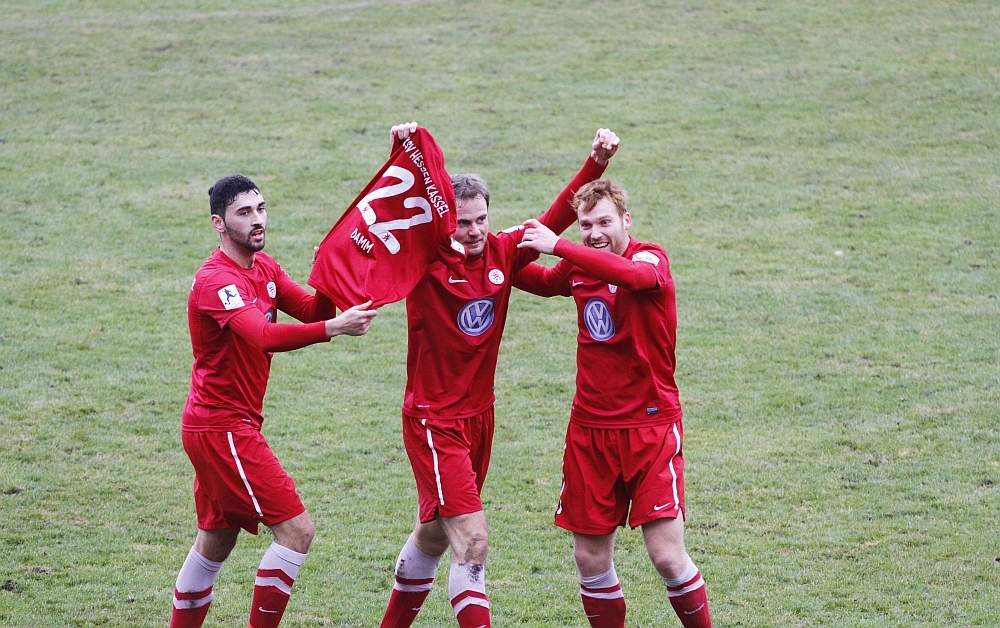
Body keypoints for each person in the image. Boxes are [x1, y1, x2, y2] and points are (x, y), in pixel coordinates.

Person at [377, 124, 619, 628]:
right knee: (473, 538)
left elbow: (550, 222)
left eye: (481, 220)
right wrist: (402, 148)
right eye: (462, 223)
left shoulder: (501, 252)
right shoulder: (424, 260)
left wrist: (596, 162)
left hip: (479, 418)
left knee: (436, 533)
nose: (472, 231)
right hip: (433, 421)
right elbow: (391, 211)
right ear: (445, 223)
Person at [169, 174, 378, 628]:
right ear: (218, 224)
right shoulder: (215, 281)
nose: (257, 220)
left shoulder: (264, 269)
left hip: (222, 425)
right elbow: (263, 336)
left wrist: (339, 275)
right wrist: (335, 329)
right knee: (297, 531)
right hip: (222, 428)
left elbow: (310, 309)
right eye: (244, 213)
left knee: (217, 539)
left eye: (261, 209)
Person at [512, 179, 712, 628]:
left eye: (604, 221)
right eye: (585, 225)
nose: (595, 232)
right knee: (588, 557)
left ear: (626, 220)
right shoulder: (579, 268)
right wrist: (486, 255)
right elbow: (540, 281)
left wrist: (559, 246)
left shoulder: (649, 257)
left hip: (650, 429)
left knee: (665, 556)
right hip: (590, 432)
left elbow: (635, 277)